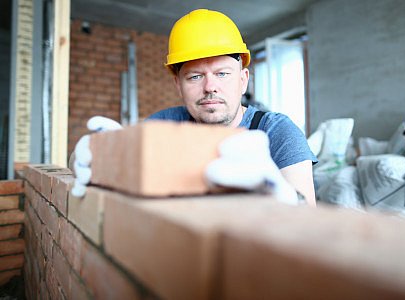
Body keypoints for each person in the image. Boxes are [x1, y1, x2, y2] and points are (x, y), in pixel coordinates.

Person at [72, 9, 317, 205]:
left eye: (222, 74)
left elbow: (309, 218)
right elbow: (96, 162)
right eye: (195, 77)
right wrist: (100, 153)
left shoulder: (277, 132)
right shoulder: (166, 126)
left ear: (243, 80)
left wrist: (281, 196)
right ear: (178, 85)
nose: (210, 86)